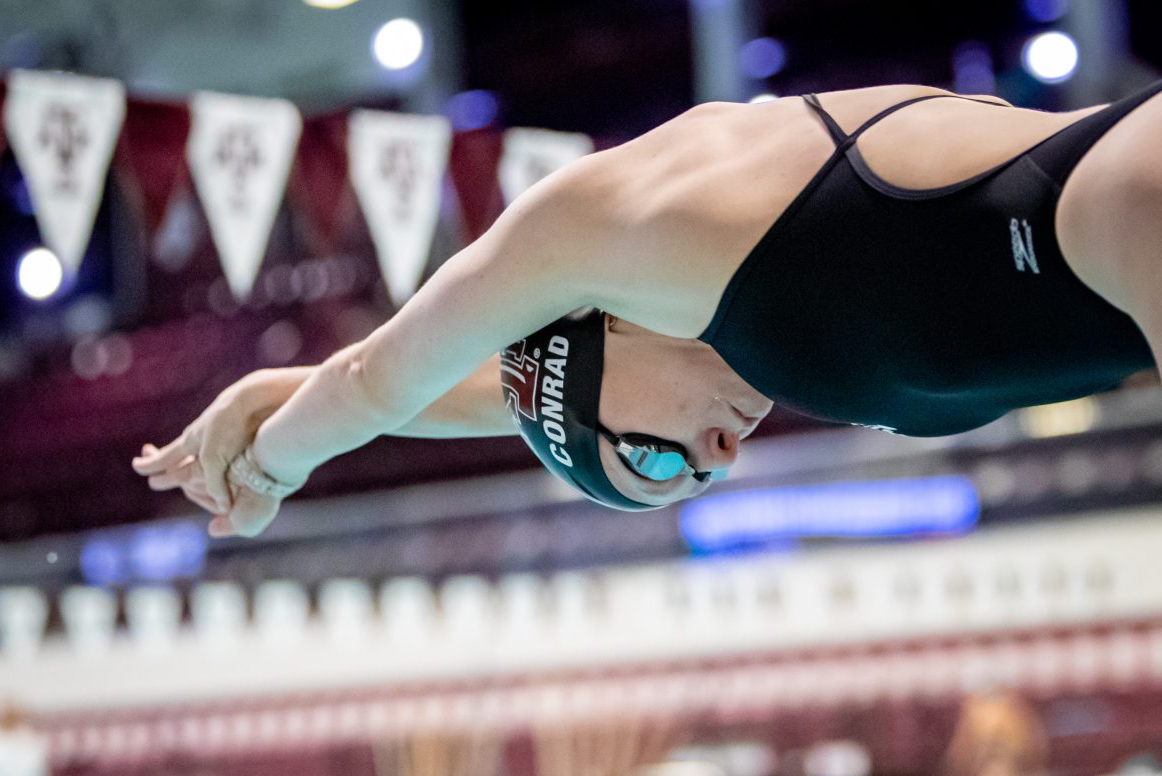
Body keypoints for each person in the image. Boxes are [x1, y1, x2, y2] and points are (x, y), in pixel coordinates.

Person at [134, 81, 1162, 535]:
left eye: (668, 461)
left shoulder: (625, 223)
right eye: (693, 480)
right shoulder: (734, 333)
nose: (717, 459)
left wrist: (271, 470)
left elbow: (384, 375)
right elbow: (519, 393)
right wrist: (285, 393)